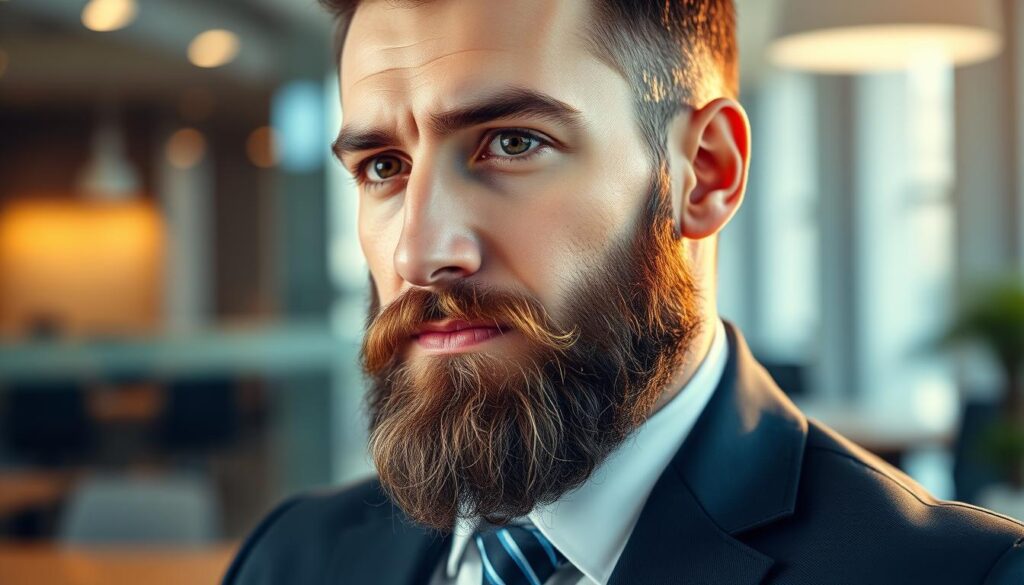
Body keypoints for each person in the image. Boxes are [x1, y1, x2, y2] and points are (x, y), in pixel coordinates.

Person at [223, 1, 1024, 583]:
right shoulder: (292, 559)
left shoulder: (958, 575)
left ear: (704, 172)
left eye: (512, 143)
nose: (420, 250)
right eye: (383, 168)